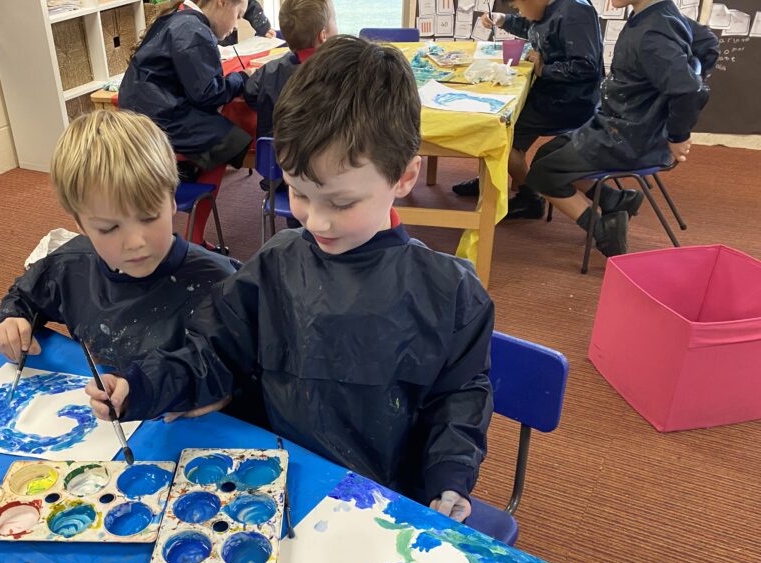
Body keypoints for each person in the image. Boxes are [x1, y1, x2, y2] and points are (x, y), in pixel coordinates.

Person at [87, 36, 495, 524]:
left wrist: (448, 477)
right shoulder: (276, 263)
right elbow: (213, 352)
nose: (316, 222)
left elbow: (459, 399)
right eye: (298, 193)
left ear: (404, 179)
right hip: (272, 486)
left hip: (380, 505)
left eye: (341, 203)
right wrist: (144, 386)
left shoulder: (450, 293)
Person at [0, 110, 238, 371]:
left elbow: (261, 370)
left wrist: (227, 395)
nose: (134, 242)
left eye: (148, 218)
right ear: (81, 224)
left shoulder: (224, 283)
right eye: (109, 228)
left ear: (171, 200)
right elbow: (25, 296)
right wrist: (12, 319)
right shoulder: (70, 266)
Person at [524, 0, 718, 256]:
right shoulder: (660, 14)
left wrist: (677, 134)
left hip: (628, 137)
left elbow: (689, 91)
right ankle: (614, 199)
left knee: (541, 174)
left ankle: (605, 229)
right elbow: (708, 44)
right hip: (618, 124)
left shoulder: (652, 34)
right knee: (546, 155)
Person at [454, 0, 604, 220]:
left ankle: (529, 198)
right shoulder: (549, 7)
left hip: (570, 102)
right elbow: (533, 25)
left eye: (518, 6)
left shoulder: (575, 11)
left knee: (499, 132)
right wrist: (503, 20)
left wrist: (544, 69)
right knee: (500, 115)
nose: (518, 11)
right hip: (553, 94)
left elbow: (586, 67)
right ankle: (491, 181)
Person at [119, 0, 251, 181]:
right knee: (233, 140)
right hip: (158, 117)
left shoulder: (178, 18)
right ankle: (193, 190)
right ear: (222, 2)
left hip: (142, 111)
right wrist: (242, 77)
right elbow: (208, 94)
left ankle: (184, 176)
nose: (236, 26)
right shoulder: (193, 30)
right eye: (238, 15)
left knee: (218, 129)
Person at [243, 0, 337, 139]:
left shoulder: (269, 70)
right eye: (334, 20)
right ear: (323, 35)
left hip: (275, 156)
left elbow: (250, 92)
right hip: (322, 155)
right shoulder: (340, 72)